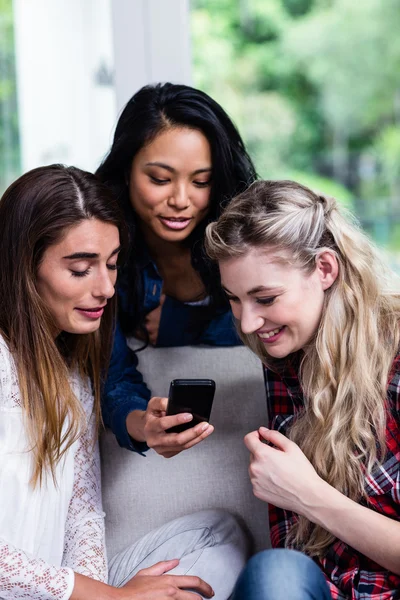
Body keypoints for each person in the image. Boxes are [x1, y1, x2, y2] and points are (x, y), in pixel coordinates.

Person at [0, 164, 249, 599]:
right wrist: (107, 595)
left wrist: (102, 593)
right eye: (80, 269)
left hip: (75, 594)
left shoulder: (74, 373)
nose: (106, 288)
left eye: (112, 265)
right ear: (23, 267)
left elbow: (82, 513)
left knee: (217, 533)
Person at [205, 179, 400, 599]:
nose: (247, 323)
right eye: (234, 299)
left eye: (266, 297)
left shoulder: (395, 357)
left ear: (325, 269)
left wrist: (307, 495)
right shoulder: (286, 356)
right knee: (276, 570)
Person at [96, 82, 257, 456]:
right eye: (160, 179)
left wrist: (183, 324)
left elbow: (289, 318)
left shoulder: (244, 233)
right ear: (125, 172)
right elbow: (111, 377)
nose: (181, 201)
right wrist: (143, 424)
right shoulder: (102, 249)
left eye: (201, 181)